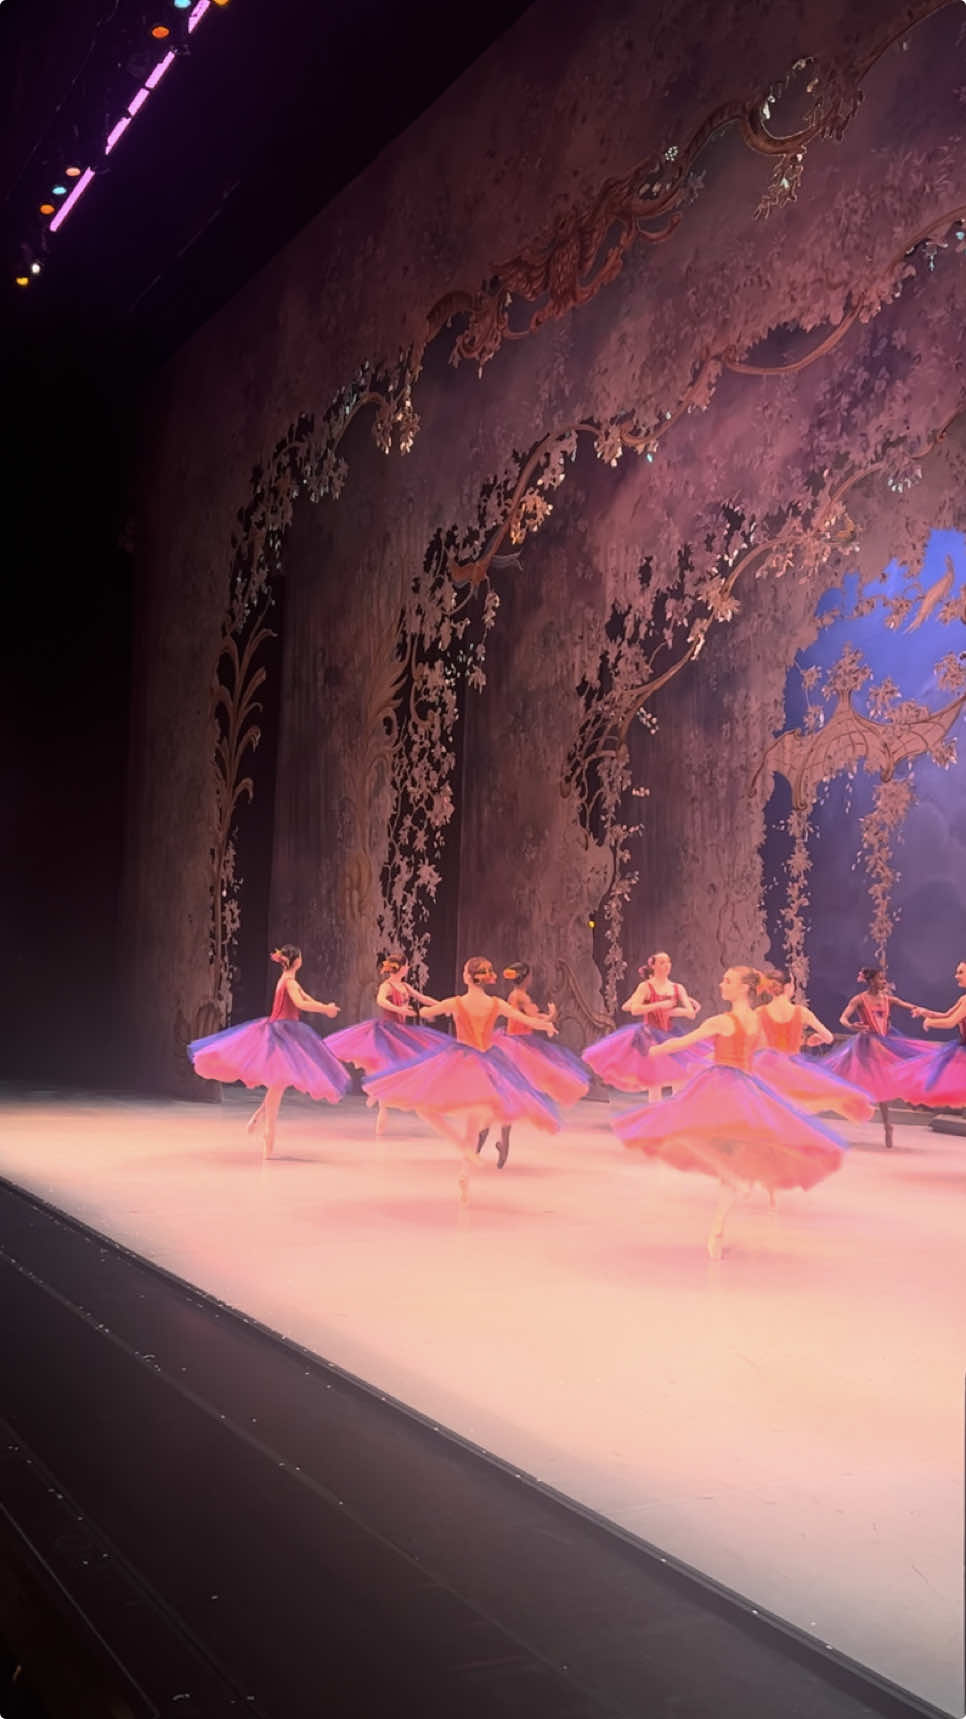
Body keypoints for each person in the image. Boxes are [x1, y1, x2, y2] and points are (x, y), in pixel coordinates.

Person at [613, 967, 846, 1259]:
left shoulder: (722, 1021)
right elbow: (763, 1052)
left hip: (723, 1089)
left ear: (744, 989)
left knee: (683, 1131)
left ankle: (724, 1197)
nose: (722, 984)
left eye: (728, 981)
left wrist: (653, 1052)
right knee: (727, 1155)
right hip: (745, 1089)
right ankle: (718, 1230)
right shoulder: (755, 1022)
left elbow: (683, 1042)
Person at [363, 957, 558, 1198]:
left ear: (467, 977)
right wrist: (546, 1025)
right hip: (487, 1064)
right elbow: (526, 1020)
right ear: (486, 978)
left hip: (461, 1061)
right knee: (475, 1120)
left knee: (426, 1108)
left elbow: (429, 1009)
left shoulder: (457, 1002)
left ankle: (462, 1150)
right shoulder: (495, 1003)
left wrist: (423, 1010)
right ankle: (465, 1167)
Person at [188, 945, 346, 1156]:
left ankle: (261, 1120)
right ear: (296, 961)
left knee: (278, 1083)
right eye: (300, 956)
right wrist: (325, 1010)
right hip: (280, 1033)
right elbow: (301, 1003)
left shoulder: (290, 981)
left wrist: (326, 1007)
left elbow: (307, 999)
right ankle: (268, 1130)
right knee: (278, 1084)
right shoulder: (288, 982)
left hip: (286, 1032)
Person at [326, 956, 442, 1133]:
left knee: (401, 1067)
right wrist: (400, 1009)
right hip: (386, 1031)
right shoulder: (386, 986)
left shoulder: (404, 986)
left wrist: (444, 1006)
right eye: (407, 965)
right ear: (402, 967)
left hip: (401, 1031)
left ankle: (379, 1093)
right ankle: (381, 1105)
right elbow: (381, 1000)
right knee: (383, 1066)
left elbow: (422, 997)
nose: (408, 968)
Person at [822, 966, 931, 1147]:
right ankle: (877, 1118)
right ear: (871, 980)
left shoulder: (889, 1000)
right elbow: (843, 1018)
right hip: (866, 1046)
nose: (884, 982)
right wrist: (851, 1026)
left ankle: (892, 1121)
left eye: (884, 979)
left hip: (886, 1044)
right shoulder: (859, 1000)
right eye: (880, 979)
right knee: (868, 1082)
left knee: (889, 1080)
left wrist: (926, 1012)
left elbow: (910, 1006)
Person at [754, 969, 873, 1122]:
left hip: (768, 1067)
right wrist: (813, 1039)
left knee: (771, 1111)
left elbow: (759, 1043)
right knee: (792, 1110)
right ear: (789, 986)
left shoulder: (760, 1012)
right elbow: (829, 1037)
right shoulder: (801, 1012)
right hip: (792, 1067)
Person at [583, 951, 706, 1096]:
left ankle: (674, 1114)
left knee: (678, 1077)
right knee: (654, 1081)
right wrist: (659, 1005)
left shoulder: (677, 988)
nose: (666, 965)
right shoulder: (646, 987)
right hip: (650, 1036)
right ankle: (654, 1115)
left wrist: (674, 1010)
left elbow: (690, 1013)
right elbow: (634, 1009)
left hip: (670, 1034)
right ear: (652, 966)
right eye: (661, 962)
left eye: (668, 962)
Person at [901, 960, 966, 1110]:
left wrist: (930, 1022)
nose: (956, 976)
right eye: (957, 972)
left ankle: (920, 1098)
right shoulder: (963, 999)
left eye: (961, 972)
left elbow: (950, 1022)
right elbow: (945, 1015)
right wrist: (925, 1012)